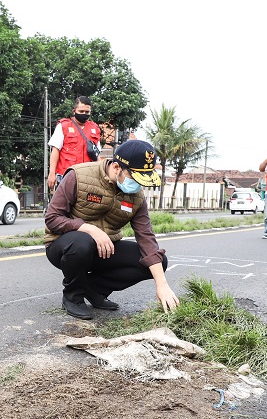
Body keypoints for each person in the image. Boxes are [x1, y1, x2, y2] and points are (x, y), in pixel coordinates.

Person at [44, 139, 180, 320]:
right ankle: (73, 297)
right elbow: (52, 218)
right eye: (135, 178)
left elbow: (146, 237)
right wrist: (89, 229)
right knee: (82, 242)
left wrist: (161, 284)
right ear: (116, 168)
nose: (138, 185)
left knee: (158, 262)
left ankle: (93, 289)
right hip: (66, 247)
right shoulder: (79, 176)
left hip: (104, 250)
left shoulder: (136, 197)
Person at [47, 96, 101, 191]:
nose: (84, 114)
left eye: (87, 112)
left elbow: (97, 156)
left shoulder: (95, 128)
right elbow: (55, 151)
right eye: (81, 111)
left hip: (88, 177)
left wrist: (101, 176)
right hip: (66, 176)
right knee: (64, 205)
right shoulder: (63, 126)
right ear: (74, 111)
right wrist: (52, 173)